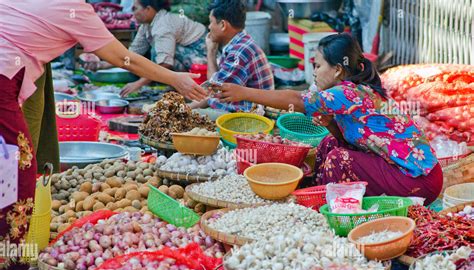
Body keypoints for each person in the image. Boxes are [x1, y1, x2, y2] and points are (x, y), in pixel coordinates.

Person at [0, 0, 206, 270]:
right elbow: (124, 59)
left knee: (12, 160)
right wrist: (174, 79)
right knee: (21, 164)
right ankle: (10, 259)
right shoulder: (73, 9)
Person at [218, 33, 442, 205]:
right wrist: (332, 125)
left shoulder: (346, 93)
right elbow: (354, 141)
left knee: (338, 159)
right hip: (401, 171)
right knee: (329, 143)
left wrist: (244, 92)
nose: (314, 71)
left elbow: (297, 98)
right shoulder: (351, 92)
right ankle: (316, 192)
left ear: (337, 70)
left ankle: (328, 206)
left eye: (317, 65)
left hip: (418, 180)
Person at [89, 0, 208, 97]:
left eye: (135, 8)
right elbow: (131, 55)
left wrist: (138, 84)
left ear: (148, 9)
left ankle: (184, 89)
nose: (132, 13)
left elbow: (164, 64)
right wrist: (102, 65)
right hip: (186, 53)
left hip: (201, 57)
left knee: (160, 53)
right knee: (158, 52)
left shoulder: (163, 26)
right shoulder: (146, 25)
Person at [190, 0, 274, 112]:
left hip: (249, 114)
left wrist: (210, 52)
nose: (209, 27)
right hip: (243, 107)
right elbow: (216, 84)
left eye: (211, 22)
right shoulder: (241, 43)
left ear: (223, 25)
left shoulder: (239, 52)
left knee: (194, 115)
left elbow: (214, 90)